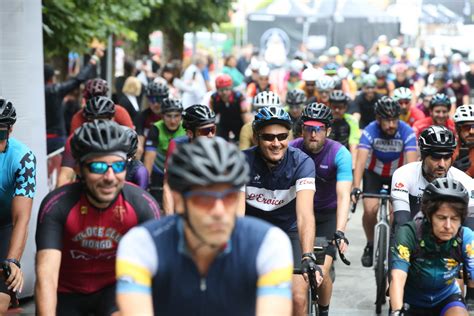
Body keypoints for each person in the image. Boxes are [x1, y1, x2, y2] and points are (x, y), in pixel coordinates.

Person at [116, 137, 293, 316]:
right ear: (179, 200)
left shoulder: (268, 243)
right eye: (204, 199)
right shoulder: (142, 243)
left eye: (229, 197)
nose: (219, 210)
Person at [35, 120, 160, 315]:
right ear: (79, 169)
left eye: (118, 166)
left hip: (115, 292)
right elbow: (46, 278)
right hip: (67, 293)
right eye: (99, 167)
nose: (110, 176)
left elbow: (156, 277)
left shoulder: (142, 204)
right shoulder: (57, 205)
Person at [240, 106, 322, 315]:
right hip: (253, 233)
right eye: (268, 137)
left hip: (289, 231)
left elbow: (304, 214)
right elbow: (236, 216)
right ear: (257, 137)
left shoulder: (302, 163)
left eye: (282, 136)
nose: (276, 143)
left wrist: (307, 256)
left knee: (297, 299)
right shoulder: (241, 162)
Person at [290, 103, 352, 316]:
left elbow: (344, 195)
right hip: (297, 213)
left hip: (327, 216)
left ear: (328, 130)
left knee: (320, 274)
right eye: (308, 128)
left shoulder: (339, 153)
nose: (313, 134)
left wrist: (341, 231)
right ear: (302, 130)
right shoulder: (292, 149)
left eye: (319, 129)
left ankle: (323, 311)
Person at [389, 178, 473, 316]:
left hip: (446, 298)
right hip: (410, 300)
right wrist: (397, 311)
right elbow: (398, 276)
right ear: (428, 215)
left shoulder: (465, 236)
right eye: (441, 217)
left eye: (454, 219)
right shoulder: (409, 232)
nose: (448, 226)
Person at [352, 97, 418, 267]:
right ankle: (370, 243)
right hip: (373, 174)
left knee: (396, 212)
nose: (391, 125)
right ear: (378, 119)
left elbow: (411, 165)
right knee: (369, 210)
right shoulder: (370, 130)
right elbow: (360, 162)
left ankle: (395, 244)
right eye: (387, 120)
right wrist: (355, 187)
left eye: (394, 120)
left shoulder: (407, 132)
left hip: (397, 175)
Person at [391, 125, 474, 230]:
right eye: (436, 157)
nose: (442, 164)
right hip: (413, 232)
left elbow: (471, 225)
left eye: (447, 157)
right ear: (423, 155)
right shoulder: (404, 174)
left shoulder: (465, 180)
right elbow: (401, 221)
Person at [0, 99, 36, 312]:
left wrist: (12, 260)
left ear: (11, 130)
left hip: (5, 226)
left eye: (0, 134)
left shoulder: (23, 158)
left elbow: (21, 219)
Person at [57, 96, 133, 187]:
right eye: (93, 119)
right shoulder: (76, 139)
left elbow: (135, 164)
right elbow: (66, 175)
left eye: (104, 118)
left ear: (113, 119)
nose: (99, 124)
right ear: (86, 120)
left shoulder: (124, 136)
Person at [44, 48, 103, 154]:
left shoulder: (34, 92)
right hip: (57, 139)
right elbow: (78, 80)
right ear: (51, 78)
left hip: (39, 140)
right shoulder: (55, 90)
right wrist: (93, 60)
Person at [162, 104, 217, 215]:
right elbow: (168, 185)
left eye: (213, 129)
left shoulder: (219, 147)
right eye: (205, 131)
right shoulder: (177, 145)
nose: (211, 135)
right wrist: (169, 217)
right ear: (190, 133)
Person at [143, 98, 186, 203]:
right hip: (159, 169)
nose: (173, 121)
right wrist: (145, 180)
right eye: (169, 116)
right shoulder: (156, 128)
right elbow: (149, 156)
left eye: (176, 116)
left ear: (181, 116)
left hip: (178, 169)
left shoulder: (186, 127)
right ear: (162, 116)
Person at [209, 74, 249, 141]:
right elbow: (211, 116)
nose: (224, 92)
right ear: (217, 89)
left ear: (231, 88)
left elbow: (245, 115)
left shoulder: (239, 97)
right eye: (221, 90)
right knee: (220, 140)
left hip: (239, 122)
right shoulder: (214, 98)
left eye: (227, 89)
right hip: (224, 122)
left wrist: (248, 131)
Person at [135, 81, 169, 159]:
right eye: (152, 100)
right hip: (147, 154)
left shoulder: (171, 116)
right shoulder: (142, 116)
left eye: (159, 99)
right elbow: (139, 144)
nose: (156, 104)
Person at [327, 90, 360, 166]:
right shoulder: (324, 120)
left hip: (344, 157)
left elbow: (353, 146)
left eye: (340, 107)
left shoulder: (352, 121)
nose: (337, 110)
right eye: (334, 107)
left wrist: (353, 166)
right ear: (329, 106)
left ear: (345, 107)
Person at [453, 104, 474, 176]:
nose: (472, 131)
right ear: (457, 129)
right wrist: (451, 171)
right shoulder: (448, 150)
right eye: (466, 127)